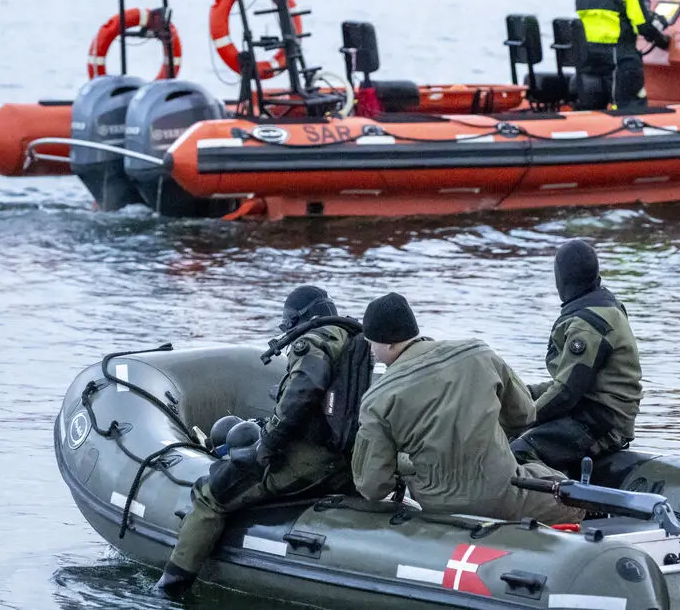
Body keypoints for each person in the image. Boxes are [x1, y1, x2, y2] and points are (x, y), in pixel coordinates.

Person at [156, 286, 362, 596]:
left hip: (308, 463)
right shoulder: (357, 343)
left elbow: (302, 392)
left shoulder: (313, 343)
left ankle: (170, 589)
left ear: (299, 319)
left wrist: (267, 445)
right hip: (347, 464)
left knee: (209, 495)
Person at [352, 293, 585, 524]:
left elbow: (372, 486)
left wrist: (405, 468)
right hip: (504, 494)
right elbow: (524, 415)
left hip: (436, 505)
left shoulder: (376, 399)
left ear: (388, 342)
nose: (371, 350)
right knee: (567, 493)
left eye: (371, 343)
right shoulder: (478, 353)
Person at [511, 240, 643, 474]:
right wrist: (521, 393)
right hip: (594, 409)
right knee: (524, 396)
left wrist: (522, 418)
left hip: (602, 422)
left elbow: (566, 394)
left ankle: (552, 506)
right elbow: (575, 384)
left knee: (519, 450)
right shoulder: (603, 307)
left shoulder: (586, 326)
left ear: (561, 279)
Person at [575, 0, 671, 111]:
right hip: (619, 58)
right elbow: (645, 25)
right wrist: (663, 38)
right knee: (633, 103)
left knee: (594, 105)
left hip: (589, 56)